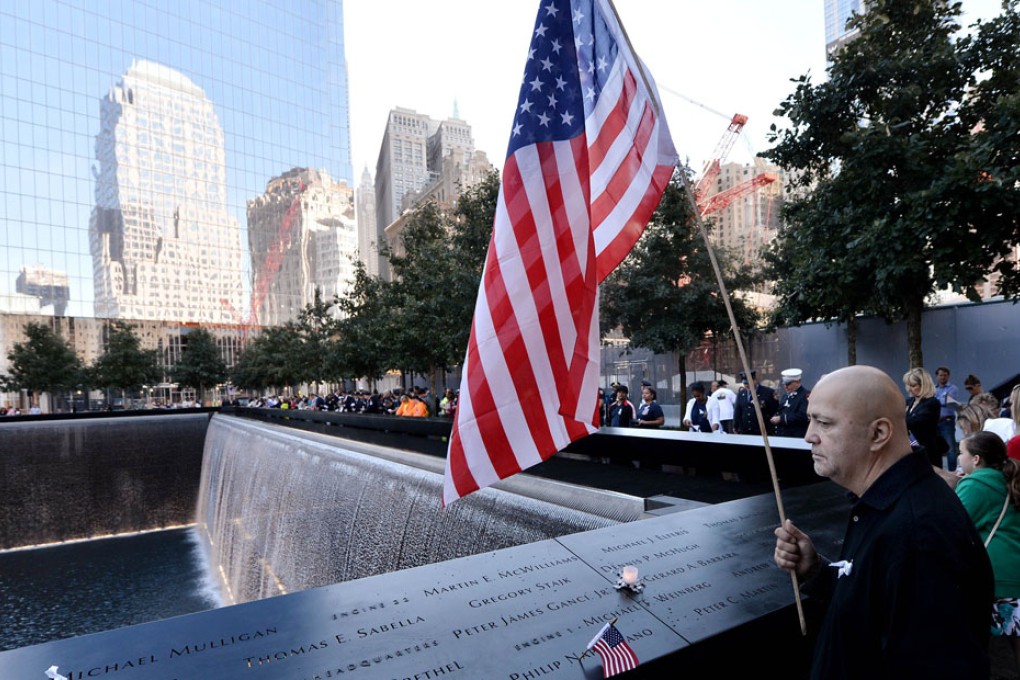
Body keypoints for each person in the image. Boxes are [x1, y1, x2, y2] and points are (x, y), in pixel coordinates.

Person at [773, 365, 993, 679]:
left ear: (878, 434)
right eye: (810, 420)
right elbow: (874, 606)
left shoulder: (920, 535)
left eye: (824, 422)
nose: (809, 436)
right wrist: (817, 572)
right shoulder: (884, 504)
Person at [955, 431, 1020, 672]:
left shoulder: (976, 485)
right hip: (1014, 572)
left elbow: (952, 525)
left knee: (987, 652)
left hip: (996, 577)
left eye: (961, 452)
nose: (958, 457)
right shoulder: (1007, 478)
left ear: (976, 459)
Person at [903, 367, 945, 467]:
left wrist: (899, 418)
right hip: (911, 450)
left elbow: (916, 422)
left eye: (913, 385)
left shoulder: (932, 403)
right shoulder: (909, 401)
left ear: (923, 385)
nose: (909, 389)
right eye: (907, 385)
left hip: (928, 451)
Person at [733, 369, 776, 436]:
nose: (746, 385)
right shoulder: (741, 394)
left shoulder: (767, 392)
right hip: (745, 431)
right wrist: (735, 425)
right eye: (745, 383)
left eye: (748, 383)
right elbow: (737, 411)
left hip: (762, 431)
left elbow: (773, 411)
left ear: (755, 380)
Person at [934, 366, 962, 470]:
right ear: (937, 376)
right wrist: (939, 400)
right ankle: (939, 471)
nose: (943, 377)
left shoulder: (953, 388)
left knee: (950, 449)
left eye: (945, 375)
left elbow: (948, 401)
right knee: (936, 448)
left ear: (948, 376)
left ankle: (952, 471)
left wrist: (935, 400)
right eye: (941, 375)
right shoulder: (933, 388)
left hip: (947, 421)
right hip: (935, 422)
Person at [771, 368, 809, 438]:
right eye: (784, 384)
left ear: (797, 382)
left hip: (796, 436)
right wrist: (775, 417)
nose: (785, 387)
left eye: (788, 384)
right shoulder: (785, 396)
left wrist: (781, 419)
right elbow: (781, 411)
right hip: (782, 435)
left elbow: (803, 416)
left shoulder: (805, 395)